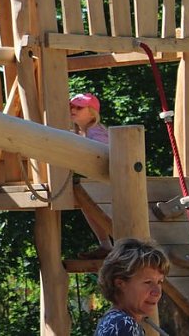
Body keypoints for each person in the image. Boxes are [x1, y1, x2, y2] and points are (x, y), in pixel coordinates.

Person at [95, 237, 170, 336]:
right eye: (148, 282)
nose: (157, 292)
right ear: (120, 284)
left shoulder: (114, 321)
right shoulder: (123, 325)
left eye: (160, 282)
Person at [71, 92, 114, 259]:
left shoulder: (96, 132)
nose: (73, 109)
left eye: (79, 107)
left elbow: (105, 155)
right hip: (98, 181)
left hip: (107, 181)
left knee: (91, 206)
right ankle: (106, 245)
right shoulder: (84, 132)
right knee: (87, 206)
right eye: (72, 106)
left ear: (91, 112)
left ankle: (110, 245)